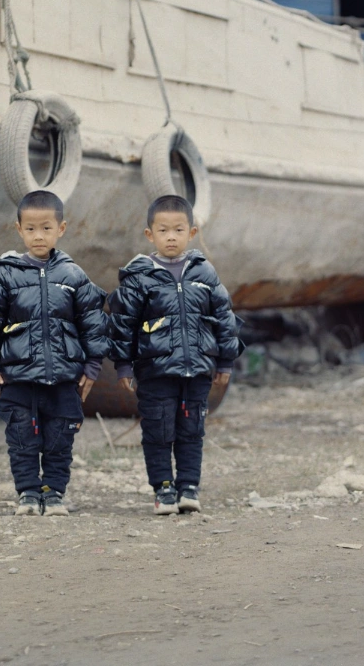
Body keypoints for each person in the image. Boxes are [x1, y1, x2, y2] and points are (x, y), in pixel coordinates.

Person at [0, 189, 109, 516]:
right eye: (30, 229)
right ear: (19, 230)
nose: (38, 236)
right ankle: (28, 493)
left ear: (61, 229)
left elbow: (93, 322)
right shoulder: (5, 275)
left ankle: (54, 493)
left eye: (46, 228)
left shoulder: (74, 276)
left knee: (60, 439)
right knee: (22, 439)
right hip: (18, 378)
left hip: (63, 379)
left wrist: (93, 366)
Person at [108, 194, 242, 515]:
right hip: (155, 371)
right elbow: (123, 324)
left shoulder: (204, 273)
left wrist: (225, 360)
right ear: (149, 235)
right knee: (158, 429)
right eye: (163, 230)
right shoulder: (140, 277)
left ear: (191, 233)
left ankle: (188, 487)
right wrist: (124, 366)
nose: (171, 237)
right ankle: (163, 489)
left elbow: (224, 316)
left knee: (192, 429)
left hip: (197, 370)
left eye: (178, 230)